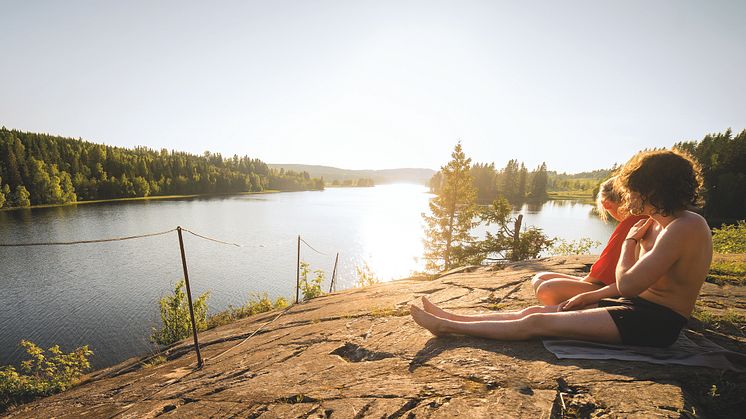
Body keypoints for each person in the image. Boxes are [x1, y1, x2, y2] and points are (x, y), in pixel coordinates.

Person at [410, 149, 712, 347]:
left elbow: (630, 284)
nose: (629, 195)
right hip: (638, 308)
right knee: (534, 309)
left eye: (634, 188)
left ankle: (447, 329)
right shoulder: (659, 223)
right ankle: (452, 318)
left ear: (654, 189)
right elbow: (641, 288)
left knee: (538, 322)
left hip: (656, 324)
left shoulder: (686, 226)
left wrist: (630, 243)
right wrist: (591, 294)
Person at [530, 177, 647, 306]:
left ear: (606, 203)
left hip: (618, 291)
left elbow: (600, 276)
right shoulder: (645, 218)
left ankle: (563, 316)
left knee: (546, 289)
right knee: (541, 277)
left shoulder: (631, 223)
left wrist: (581, 284)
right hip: (618, 285)